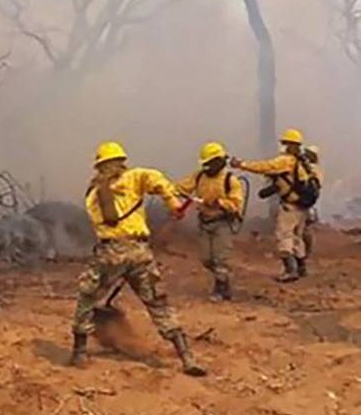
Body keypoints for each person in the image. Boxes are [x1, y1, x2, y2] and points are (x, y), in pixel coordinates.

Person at [70, 141, 206, 377]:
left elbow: (100, 224)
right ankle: (187, 358)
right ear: (122, 162)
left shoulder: (92, 194)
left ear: (99, 166)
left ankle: (79, 353)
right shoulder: (135, 177)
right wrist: (173, 204)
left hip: (110, 253)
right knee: (157, 302)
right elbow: (159, 180)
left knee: (87, 297)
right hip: (139, 252)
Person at [231, 128, 318, 282]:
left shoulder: (286, 161)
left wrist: (241, 164)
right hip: (302, 206)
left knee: (283, 235)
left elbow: (264, 166)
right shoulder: (303, 162)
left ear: (291, 145)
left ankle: (290, 270)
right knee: (296, 236)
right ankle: (301, 267)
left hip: (290, 206)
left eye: (285, 143)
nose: (283, 146)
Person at [177, 142, 245, 302]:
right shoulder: (200, 176)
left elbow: (236, 204)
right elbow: (182, 186)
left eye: (209, 163)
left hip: (222, 223)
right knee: (206, 259)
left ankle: (221, 288)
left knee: (220, 258)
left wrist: (219, 203)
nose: (207, 167)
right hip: (204, 222)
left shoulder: (230, 180)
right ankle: (223, 281)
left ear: (218, 161)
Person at [302, 145, 323, 262]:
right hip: (306, 200)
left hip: (310, 200)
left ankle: (307, 252)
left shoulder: (314, 170)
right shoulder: (305, 167)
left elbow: (316, 185)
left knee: (306, 228)